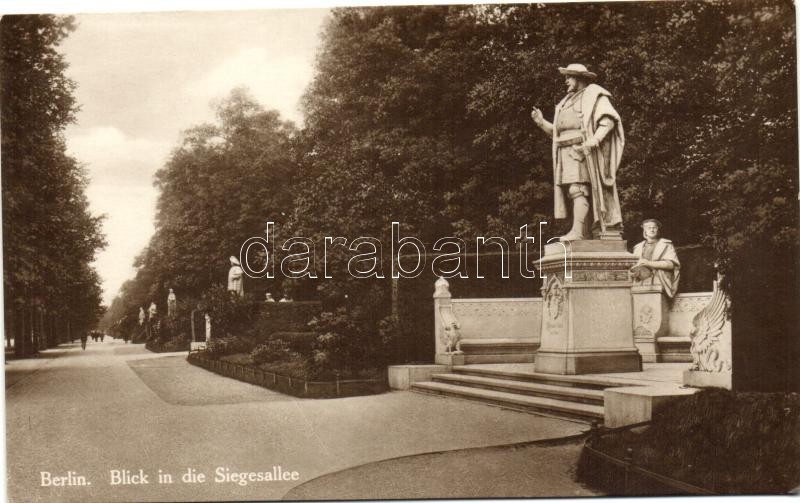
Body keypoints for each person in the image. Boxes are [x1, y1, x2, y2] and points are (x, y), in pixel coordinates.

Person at [531, 63, 625, 241]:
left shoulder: (594, 95)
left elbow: (608, 121)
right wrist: (541, 122)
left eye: (569, 77)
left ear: (580, 78)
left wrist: (593, 141)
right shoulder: (566, 102)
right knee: (574, 193)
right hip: (566, 153)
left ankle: (577, 232)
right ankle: (583, 231)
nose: (566, 81)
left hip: (582, 152)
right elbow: (558, 133)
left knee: (578, 190)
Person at [630, 219, 680, 298]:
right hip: (640, 281)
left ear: (657, 230)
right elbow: (633, 266)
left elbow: (671, 265)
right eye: (649, 228)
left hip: (660, 279)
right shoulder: (638, 247)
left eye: (654, 227)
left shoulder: (666, 244)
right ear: (645, 231)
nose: (652, 230)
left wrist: (649, 263)